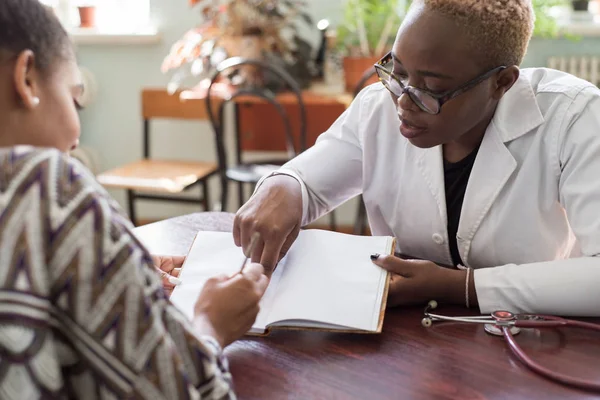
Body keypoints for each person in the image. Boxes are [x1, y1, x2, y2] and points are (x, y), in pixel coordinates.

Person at [234, 0, 600, 317]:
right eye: (399, 71)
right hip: (403, 344)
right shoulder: (378, 109)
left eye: (433, 89)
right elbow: (308, 184)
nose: (404, 101)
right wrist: (285, 185)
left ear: (502, 83)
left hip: (530, 339)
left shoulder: (572, 116)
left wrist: (461, 286)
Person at [0, 1, 268, 398]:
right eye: (75, 100)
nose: (76, 138)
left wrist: (117, 272)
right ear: (26, 78)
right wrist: (211, 326)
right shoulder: (45, 185)